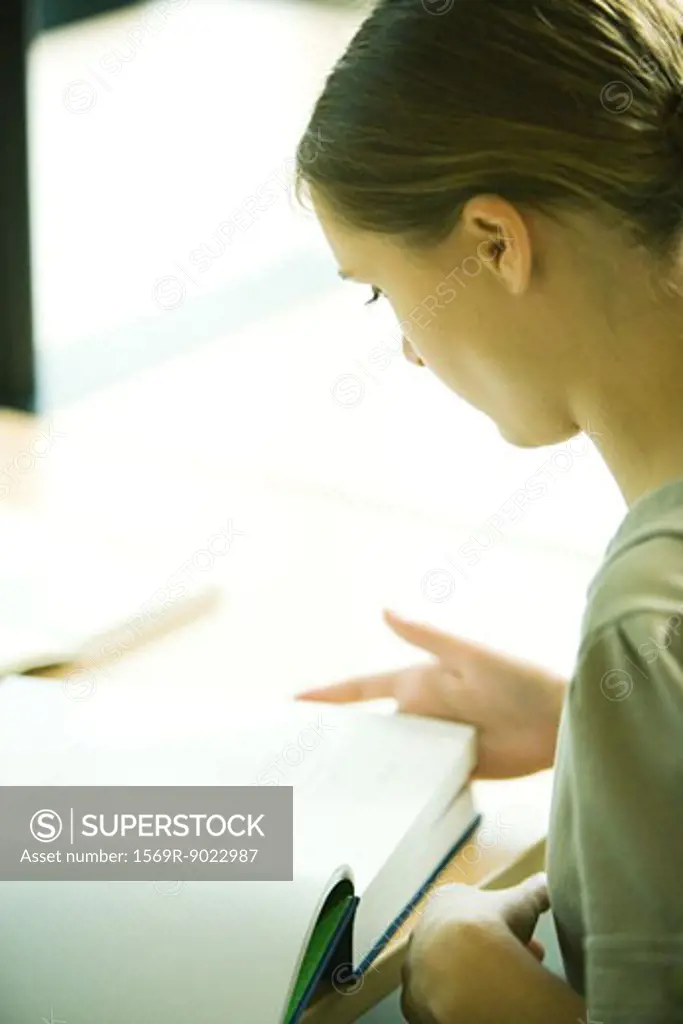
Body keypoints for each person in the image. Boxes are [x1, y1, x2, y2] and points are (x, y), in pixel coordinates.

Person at [294, 0, 683, 1020]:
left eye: (382, 292)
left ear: (493, 242)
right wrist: (584, 720)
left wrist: (463, 970)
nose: (411, 351)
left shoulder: (647, 609)